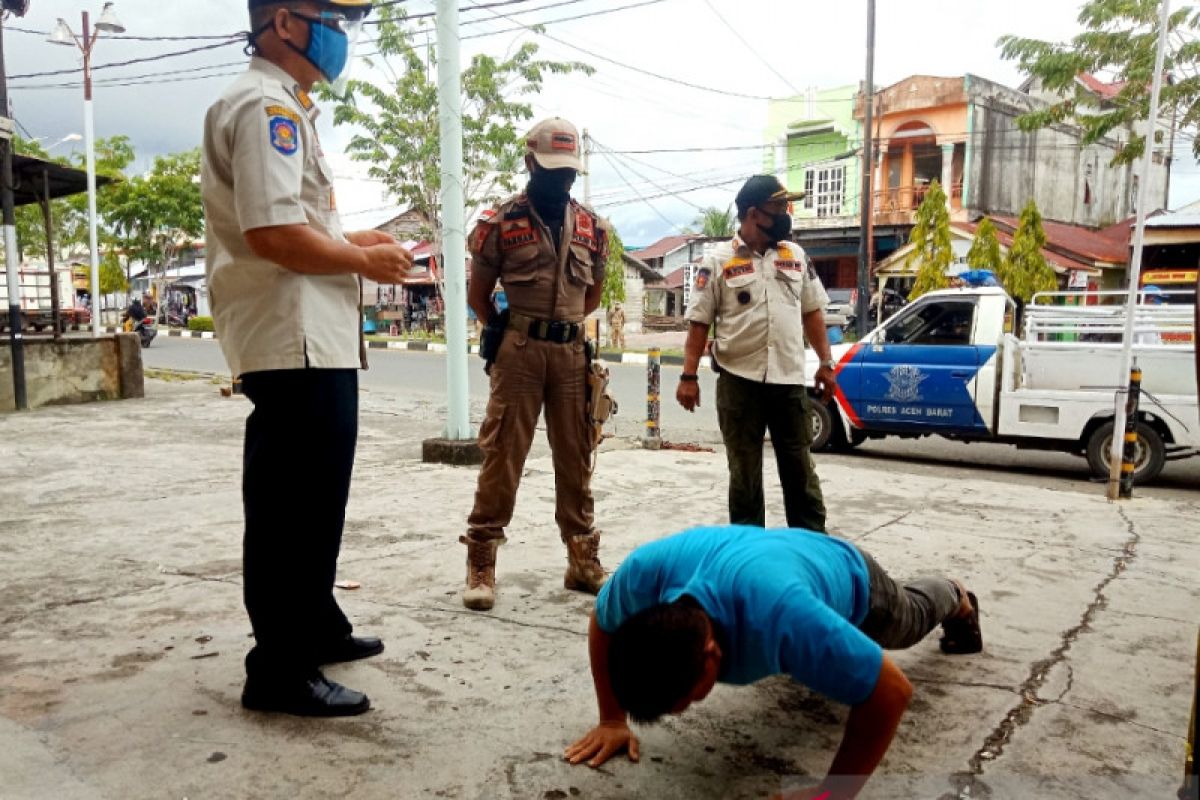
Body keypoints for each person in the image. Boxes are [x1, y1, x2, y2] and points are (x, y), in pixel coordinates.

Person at [201, 0, 414, 717]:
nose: (340, 34)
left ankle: (316, 625)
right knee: (292, 508)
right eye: (331, 16)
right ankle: (278, 669)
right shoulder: (266, 109)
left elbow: (301, 222)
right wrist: (363, 260)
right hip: (291, 338)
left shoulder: (284, 107)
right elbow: (272, 233)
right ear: (284, 22)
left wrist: (361, 245)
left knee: (317, 498)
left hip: (309, 336)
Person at [565, 525, 983, 800]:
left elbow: (891, 691)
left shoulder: (779, 613)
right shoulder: (645, 575)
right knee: (804, 644)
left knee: (909, 620)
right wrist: (612, 719)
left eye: (690, 700)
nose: (689, 708)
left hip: (851, 577)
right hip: (775, 555)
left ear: (713, 654)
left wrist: (832, 794)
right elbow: (603, 621)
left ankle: (956, 594)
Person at [461, 117, 612, 611]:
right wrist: (507, 331)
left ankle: (582, 560)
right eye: (551, 170)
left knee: (577, 458)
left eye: (568, 172)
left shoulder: (592, 226)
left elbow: (591, 297)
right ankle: (482, 560)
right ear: (530, 163)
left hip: (571, 354)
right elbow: (478, 295)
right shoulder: (500, 223)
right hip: (520, 353)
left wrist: (562, 327)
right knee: (503, 455)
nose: (561, 180)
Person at [677, 175, 836, 533]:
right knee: (745, 477)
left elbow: (812, 312)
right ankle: (749, 559)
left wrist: (826, 365)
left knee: (800, 474)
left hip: (788, 382)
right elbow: (699, 322)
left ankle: (813, 550)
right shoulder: (718, 260)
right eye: (778, 207)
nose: (785, 214)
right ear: (754, 213)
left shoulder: (794, 256)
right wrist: (688, 376)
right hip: (739, 384)